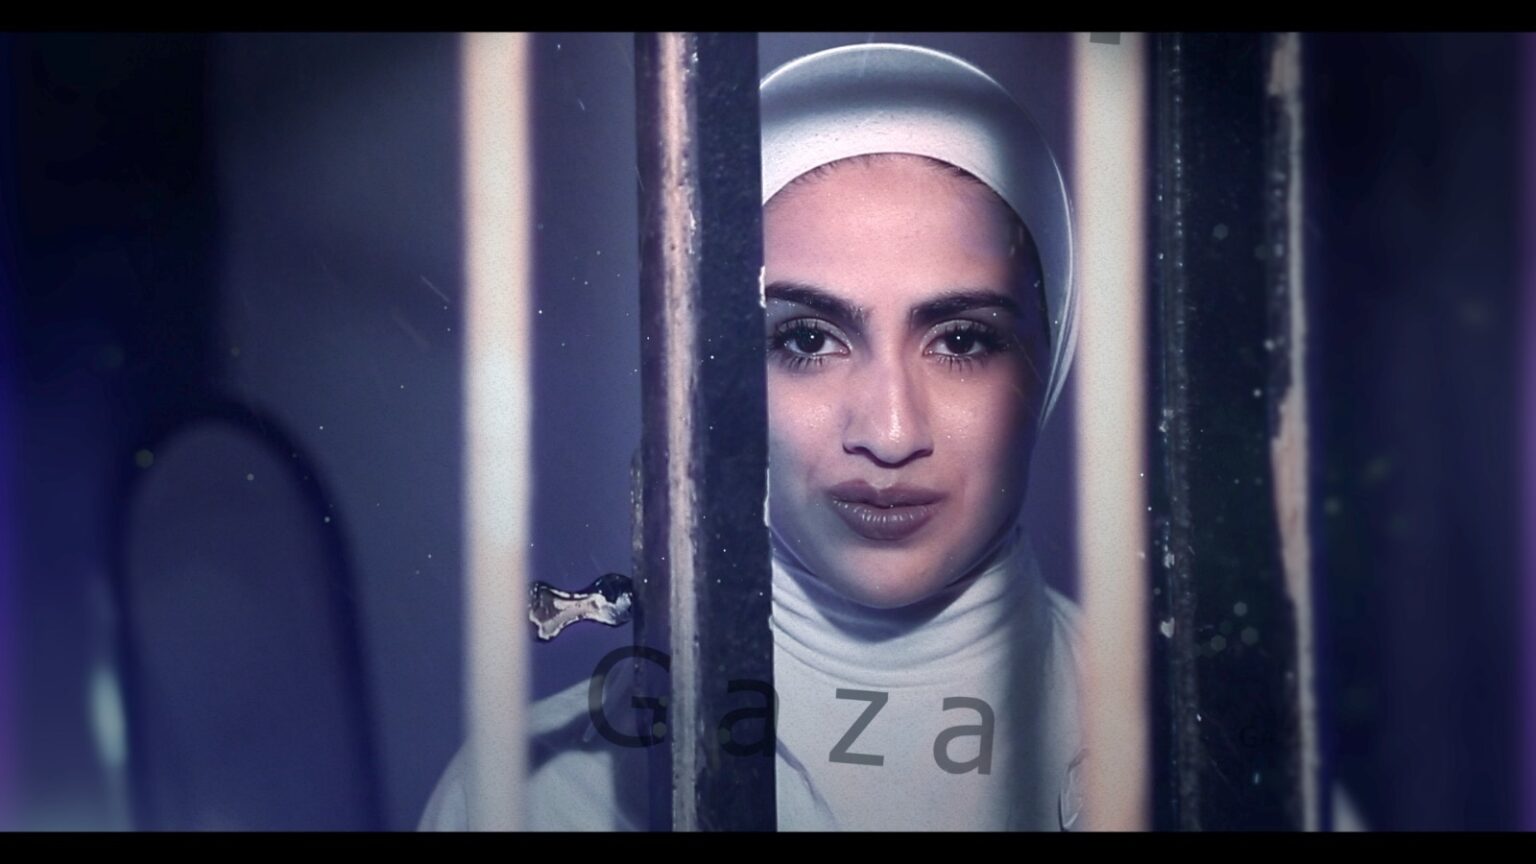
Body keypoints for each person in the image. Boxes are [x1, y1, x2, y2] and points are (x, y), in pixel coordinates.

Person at [420, 42, 1086, 832]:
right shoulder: (541, 798)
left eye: (962, 340)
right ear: (713, 373)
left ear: (1050, 360)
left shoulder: (1179, 739)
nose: (890, 432)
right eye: (807, 339)